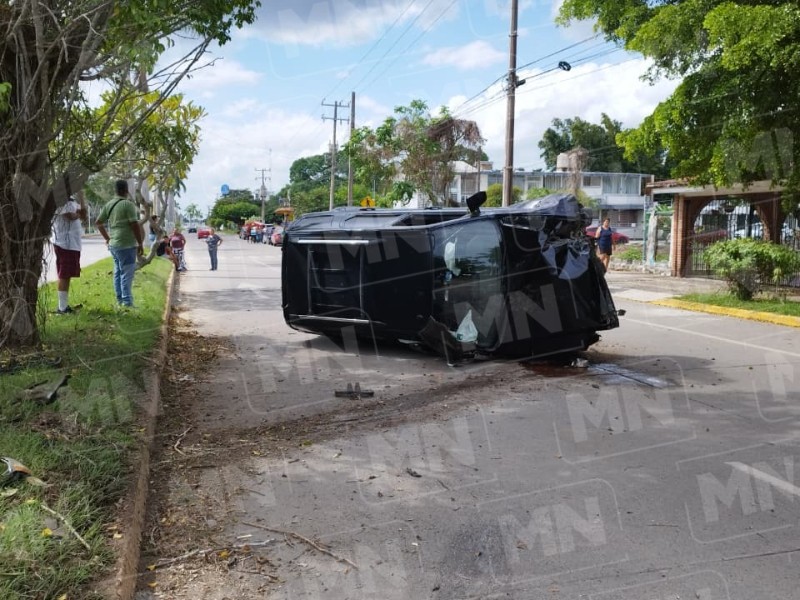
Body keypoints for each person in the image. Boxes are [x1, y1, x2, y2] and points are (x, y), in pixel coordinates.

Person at [95, 179, 143, 308]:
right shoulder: (128, 205)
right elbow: (134, 225)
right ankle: (127, 303)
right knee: (127, 274)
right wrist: (140, 243)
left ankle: (120, 300)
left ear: (115, 191)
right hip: (126, 244)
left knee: (117, 273)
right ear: (126, 191)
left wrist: (108, 238)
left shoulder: (109, 204)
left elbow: (98, 222)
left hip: (114, 245)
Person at [52, 191, 87, 314]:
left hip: (73, 244)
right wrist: (78, 213)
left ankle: (64, 306)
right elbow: (70, 216)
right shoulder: (59, 201)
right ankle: (62, 308)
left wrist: (82, 198)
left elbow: (83, 215)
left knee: (67, 275)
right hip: (64, 243)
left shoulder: (73, 202)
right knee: (64, 274)